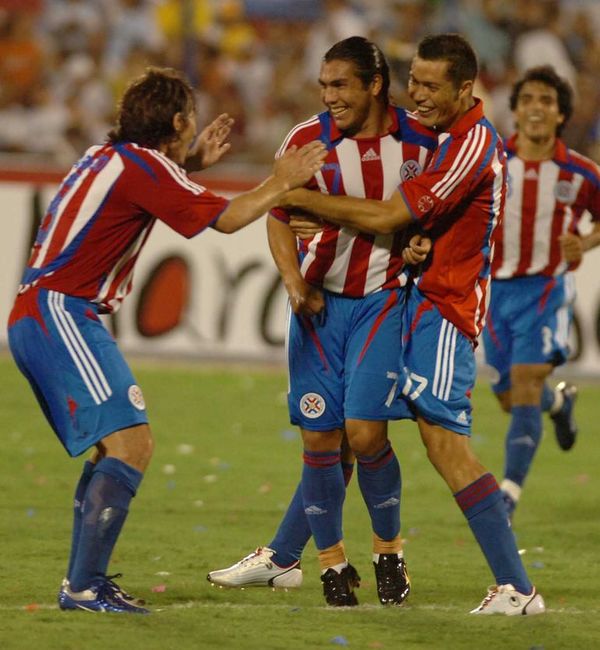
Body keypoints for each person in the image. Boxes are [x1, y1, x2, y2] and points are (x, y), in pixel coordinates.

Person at [6, 66, 326, 615]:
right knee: (133, 444)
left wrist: (192, 162)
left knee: (117, 446)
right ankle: (83, 587)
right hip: (62, 313)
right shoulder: (145, 167)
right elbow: (226, 220)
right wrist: (281, 180)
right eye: (191, 120)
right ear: (178, 121)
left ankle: (87, 582)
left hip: (41, 313)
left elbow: (149, 187)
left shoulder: (106, 157)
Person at [267, 33, 547, 616]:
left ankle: (516, 587)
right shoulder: (441, 137)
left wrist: (311, 203)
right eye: (412, 80)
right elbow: (421, 222)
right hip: (414, 302)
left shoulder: (471, 142)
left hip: (444, 311)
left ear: (464, 88)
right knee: (347, 433)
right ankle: (288, 555)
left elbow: (395, 212)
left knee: (441, 445)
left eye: (429, 85)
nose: (414, 94)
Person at [208, 36, 437, 607]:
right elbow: (279, 216)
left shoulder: (421, 141)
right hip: (316, 306)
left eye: (341, 85)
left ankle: (390, 552)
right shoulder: (306, 141)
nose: (329, 96)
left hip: (382, 301)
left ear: (375, 84)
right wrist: (291, 279)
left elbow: (439, 214)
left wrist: (418, 244)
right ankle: (331, 568)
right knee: (318, 437)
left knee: (364, 434)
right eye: (324, 85)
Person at [481, 65, 600, 519]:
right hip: (493, 292)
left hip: (547, 287)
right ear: (514, 110)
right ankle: (560, 401)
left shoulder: (581, 173)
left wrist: (585, 241)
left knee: (528, 379)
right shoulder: (491, 163)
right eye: (527, 99)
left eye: (546, 101)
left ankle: (508, 493)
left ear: (560, 114)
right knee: (512, 395)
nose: (536, 108)